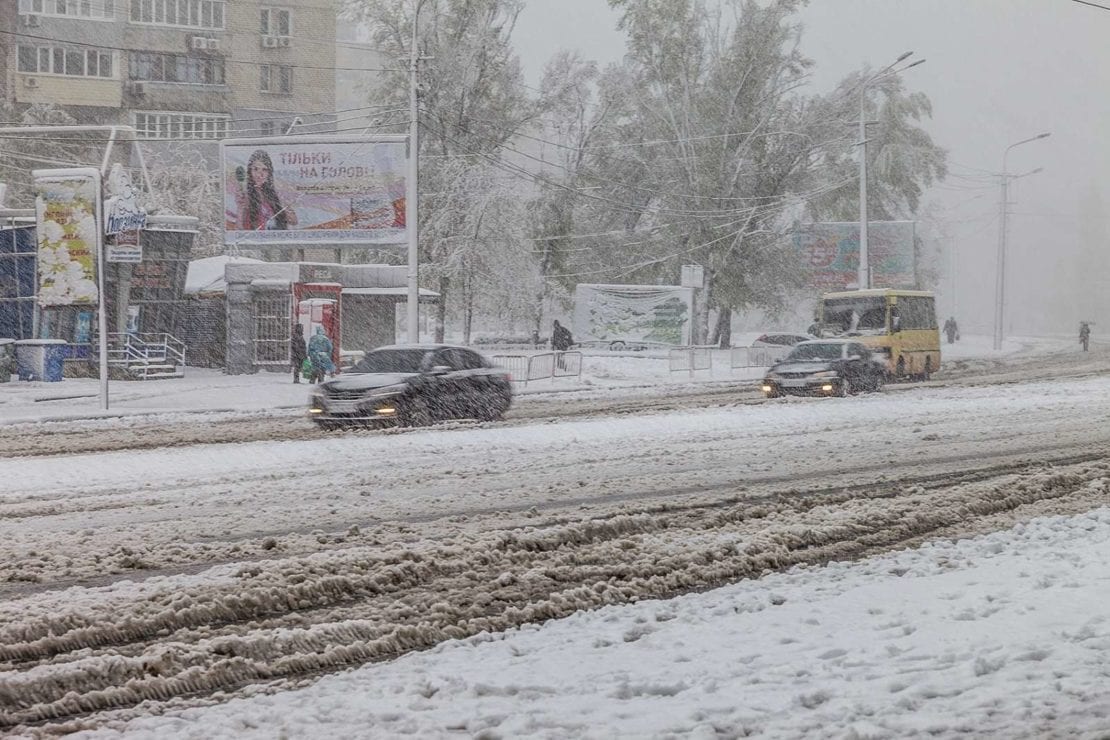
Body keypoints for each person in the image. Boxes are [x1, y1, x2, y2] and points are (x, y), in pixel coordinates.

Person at [238, 150, 298, 232]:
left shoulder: (275, 195)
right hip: (254, 242)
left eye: (264, 170)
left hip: (276, 241)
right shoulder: (245, 197)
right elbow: (239, 230)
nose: (260, 174)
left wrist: (284, 204)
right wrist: (240, 208)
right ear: (250, 171)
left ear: (269, 173)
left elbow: (294, 221)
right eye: (255, 169)